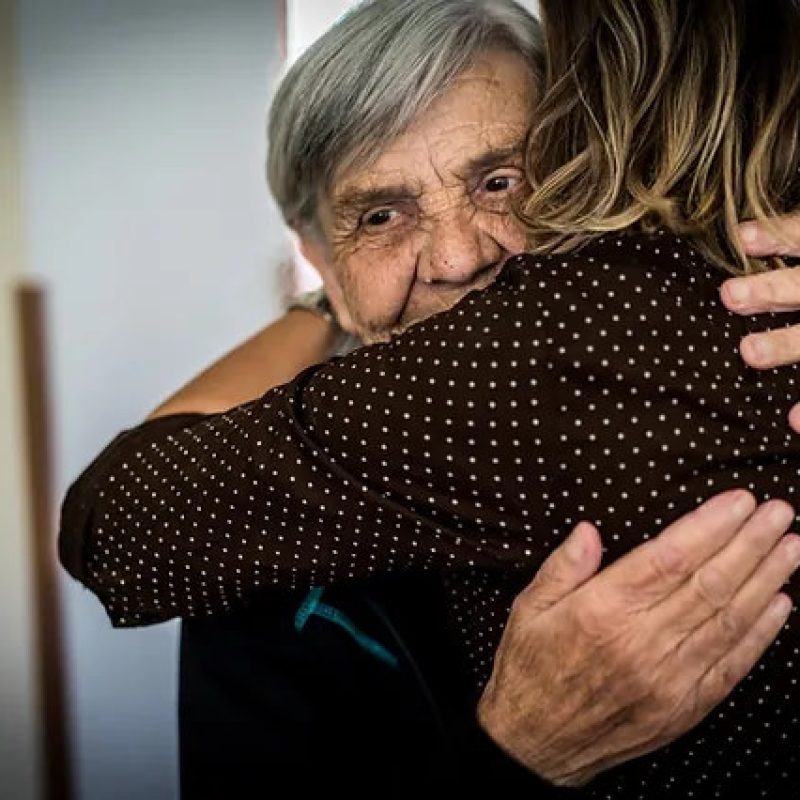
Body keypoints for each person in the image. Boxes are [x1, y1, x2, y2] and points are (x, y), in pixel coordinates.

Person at [58, 0, 800, 795]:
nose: (457, 258)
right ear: (318, 259)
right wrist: (514, 752)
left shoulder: (594, 363)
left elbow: (103, 522)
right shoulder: (248, 568)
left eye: (500, 181)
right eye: (379, 215)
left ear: (587, 179)